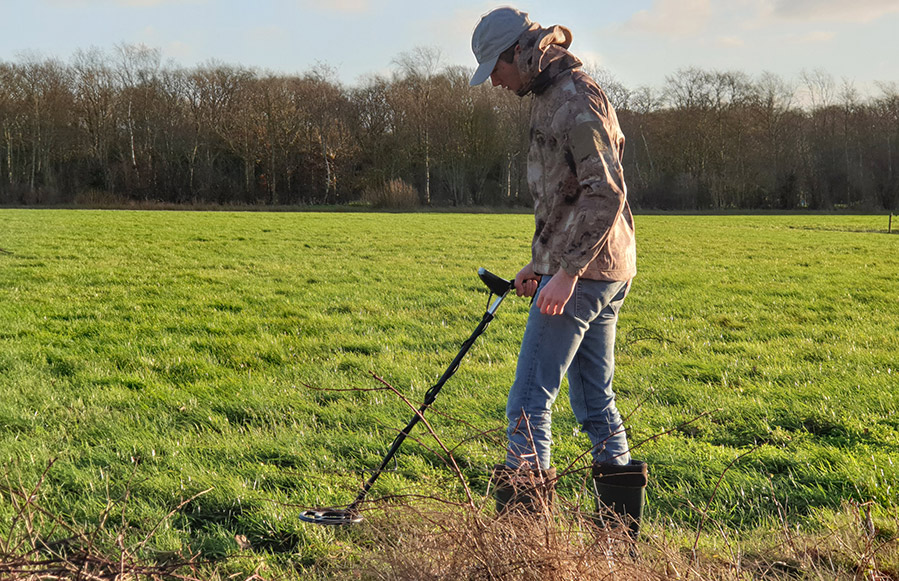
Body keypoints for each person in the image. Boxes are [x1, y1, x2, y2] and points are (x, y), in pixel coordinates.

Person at [469, 7, 647, 534]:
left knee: (528, 400)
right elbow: (565, 198)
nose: (495, 83)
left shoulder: (574, 98)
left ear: (516, 55)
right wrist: (541, 263)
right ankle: (617, 542)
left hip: (587, 273)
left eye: (495, 70)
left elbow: (605, 191)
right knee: (594, 400)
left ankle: (524, 552)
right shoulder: (551, 95)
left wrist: (565, 272)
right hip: (598, 265)